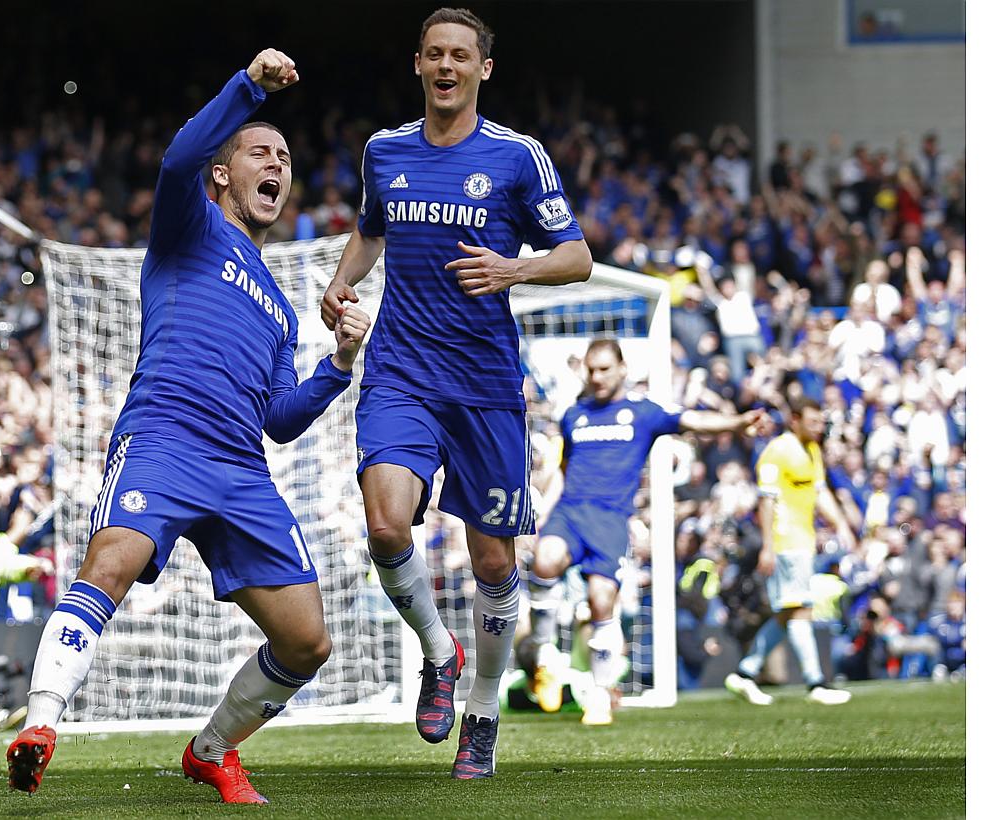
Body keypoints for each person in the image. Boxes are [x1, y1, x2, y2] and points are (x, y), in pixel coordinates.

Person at [6, 49, 372, 804]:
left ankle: (212, 750)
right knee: (110, 563)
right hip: (164, 439)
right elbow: (177, 160)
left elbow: (280, 421)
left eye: (285, 159)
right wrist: (248, 90)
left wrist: (337, 364)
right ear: (223, 175)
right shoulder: (190, 227)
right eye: (260, 152)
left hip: (242, 471)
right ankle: (40, 725)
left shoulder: (279, 308)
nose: (277, 164)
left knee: (307, 640)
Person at [319, 7, 593, 780]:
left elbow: (576, 256)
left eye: (460, 56)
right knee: (384, 525)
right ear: (418, 64)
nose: (447, 66)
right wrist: (340, 282)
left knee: (493, 562)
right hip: (400, 372)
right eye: (435, 54)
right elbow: (371, 230)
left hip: (484, 386)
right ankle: (440, 653)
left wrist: (514, 268)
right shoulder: (384, 151)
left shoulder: (517, 157)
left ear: (483, 69)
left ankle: (483, 711)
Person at [527, 339, 763, 725]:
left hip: (610, 520)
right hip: (570, 512)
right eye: (591, 369)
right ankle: (544, 657)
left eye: (604, 369)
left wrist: (738, 422)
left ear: (622, 369)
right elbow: (564, 471)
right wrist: (541, 514)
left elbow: (693, 420)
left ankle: (600, 693)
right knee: (545, 559)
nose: (596, 376)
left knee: (601, 602)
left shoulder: (642, 413)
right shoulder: (574, 415)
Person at [725, 396, 855, 705]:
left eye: (821, 422)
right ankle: (815, 682)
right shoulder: (777, 451)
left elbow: (820, 492)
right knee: (801, 609)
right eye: (813, 422)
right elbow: (766, 500)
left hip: (803, 539)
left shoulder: (812, 450)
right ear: (794, 420)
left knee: (787, 613)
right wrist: (768, 546)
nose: (819, 427)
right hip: (786, 540)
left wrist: (841, 524)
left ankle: (745, 673)